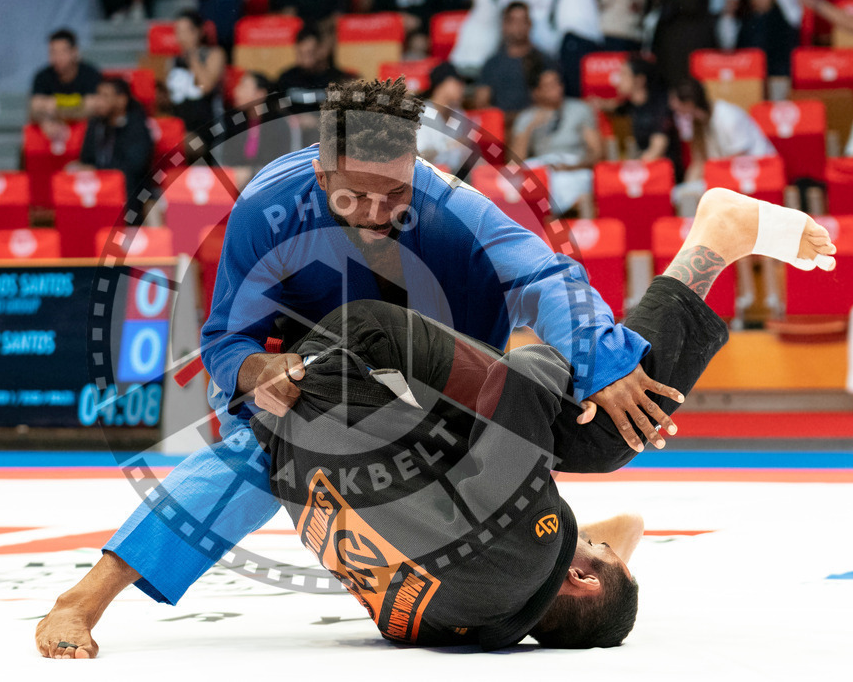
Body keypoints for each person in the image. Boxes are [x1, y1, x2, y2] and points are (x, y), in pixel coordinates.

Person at [35, 76, 712, 658]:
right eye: (354, 195)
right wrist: (254, 376)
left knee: (605, 423)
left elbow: (543, 273)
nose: (379, 211)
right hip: (332, 377)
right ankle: (85, 597)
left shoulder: (448, 204)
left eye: (395, 191)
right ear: (321, 171)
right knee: (257, 447)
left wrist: (607, 362)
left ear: (415, 162)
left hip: (454, 366)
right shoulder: (266, 211)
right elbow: (226, 342)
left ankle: (710, 246)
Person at [253, 182, 835, 648]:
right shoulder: (449, 627)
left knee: (602, 434)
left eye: (595, 556)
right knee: (510, 473)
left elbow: (526, 374)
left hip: (355, 351)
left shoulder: (529, 554)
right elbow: (610, 535)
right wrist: (588, 547)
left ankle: (715, 240)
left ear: (579, 583)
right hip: (279, 420)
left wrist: (607, 378)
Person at [512, 63, 603, 214]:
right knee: (529, 180)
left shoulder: (580, 109)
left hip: (574, 166)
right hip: (543, 167)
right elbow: (515, 162)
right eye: (548, 86)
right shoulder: (526, 117)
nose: (556, 90)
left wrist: (572, 167)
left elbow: (597, 153)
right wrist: (530, 128)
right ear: (536, 92)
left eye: (557, 83)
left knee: (568, 181)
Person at [668, 77, 776, 183]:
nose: (676, 113)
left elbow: (737, 157)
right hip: (726, 174)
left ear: (689, 104)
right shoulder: (696, 123)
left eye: (677, 109)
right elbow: (699, 163)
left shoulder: (728, 116)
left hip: (758, 171)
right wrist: (686, 189)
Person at [71, 78, 154, 200]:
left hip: (131, 194)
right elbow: (86, 159)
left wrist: (96, 169)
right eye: (98, 95)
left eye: (105, 96)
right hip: (99, 189)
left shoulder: (137, 125)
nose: (99, 101)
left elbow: (133, 167)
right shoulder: (95, 124)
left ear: (122, 100)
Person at [215, 72, 300, 184]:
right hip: (237, 182)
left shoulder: (278, 123)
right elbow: (226, 157)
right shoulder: (234, 120)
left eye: (244, 86)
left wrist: (251, 173)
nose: (237, 91)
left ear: (260, 94)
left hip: (270, 183)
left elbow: (281, 163)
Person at [475, 2, 557, 117]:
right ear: (505, 25)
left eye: (523, 21)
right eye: (513, 21)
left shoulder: (544, 60)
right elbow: (481, 102)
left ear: (530, 24)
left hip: (535, 124)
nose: (518, 26)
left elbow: (553, 98)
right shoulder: (492, 63)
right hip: (501, 126)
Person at [612, 55, 683, 180]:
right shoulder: (630, 105)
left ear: (639, 80)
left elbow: (657, 148)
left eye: (624, 74)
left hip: (663, 173)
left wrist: (628, 169)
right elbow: (609, 106)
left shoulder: (660, 106)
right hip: (643, 168)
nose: (618, 79)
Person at [29, 29, 103, 143]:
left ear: (75, 52)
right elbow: (35, 107)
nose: (57, 57)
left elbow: (94, 106)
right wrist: (79, 108)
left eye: (63, 52)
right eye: (53, 52)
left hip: (86, 136)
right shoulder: (42, 76)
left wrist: (52, 107)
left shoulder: (90, 73)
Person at [165, 10, 226, 133]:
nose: (182, 36)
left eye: (187, 31)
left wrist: (192, 55)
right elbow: (170, 96)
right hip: (180, 124)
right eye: (178, 31)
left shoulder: (214, 53)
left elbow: (206, 86)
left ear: (199, 31)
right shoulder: (172, 60)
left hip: (206, 126)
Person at [417, 63, 472, 172]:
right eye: (458, 83)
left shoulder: (459, 115)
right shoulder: (420, 113)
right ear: (441, 85)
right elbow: (418, 158)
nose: (462, 88)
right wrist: (448, 146)